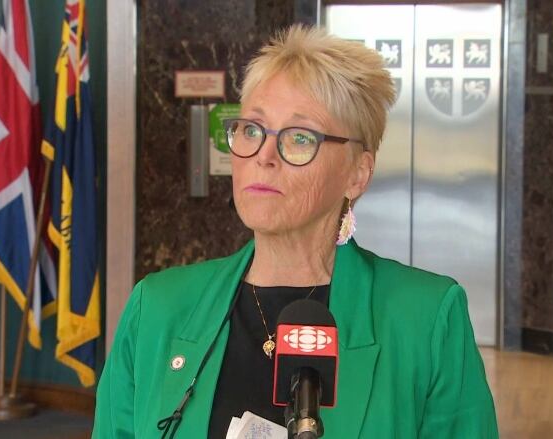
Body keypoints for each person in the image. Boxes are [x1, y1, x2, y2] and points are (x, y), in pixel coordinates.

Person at [93, 25, 498, 438]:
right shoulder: (157, 308)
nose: (264, 156)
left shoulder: (426, 318)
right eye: (251, 130)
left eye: (300, 138)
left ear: (357, 174)